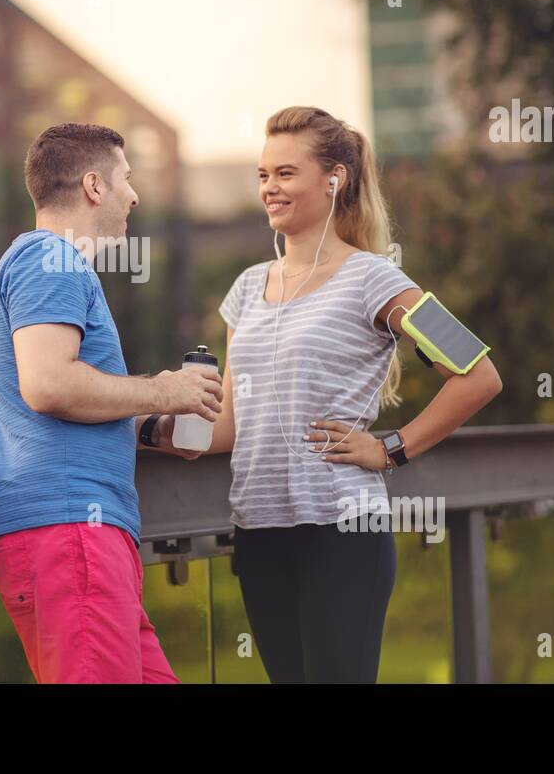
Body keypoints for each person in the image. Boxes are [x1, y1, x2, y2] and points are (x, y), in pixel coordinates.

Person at [147, 106, 503, 683]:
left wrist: (390, 448)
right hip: (258, 533)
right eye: (263, 175)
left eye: (286, 173)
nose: (269, 188)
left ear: (333, 179)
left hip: (342, 534)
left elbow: (479, 375)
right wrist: (145, 420)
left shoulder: (376, 279)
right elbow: (232, 426)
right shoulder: (246, 289)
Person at [0, 122, 223, 684]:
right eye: (126, 180)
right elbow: (48, 386)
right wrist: (165, 389)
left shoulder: (53, 265)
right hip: (71, 534)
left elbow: (59, 393)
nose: (134, 196)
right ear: (94, 185)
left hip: (85, 538)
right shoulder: (51, 259)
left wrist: (147, 428)